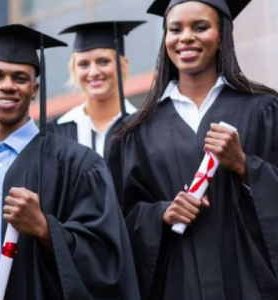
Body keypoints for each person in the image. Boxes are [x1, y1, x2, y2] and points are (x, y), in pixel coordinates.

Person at [0, 24, 139, 300]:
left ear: (35, 88)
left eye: (20, 77)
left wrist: (45, 228)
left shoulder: (79, 165)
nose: (7, 85)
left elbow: (106, 260)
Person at [108, 0, 278, 299]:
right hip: (176, 280)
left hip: (248, 279)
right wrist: (161, 214)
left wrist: (243, 166)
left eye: (200, 27)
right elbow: (119, 217)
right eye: (175, 29)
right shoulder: (135, 130)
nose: (186, 37)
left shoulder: (263, 109)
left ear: (222, 35)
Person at [48, 21, 144, 158]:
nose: (93, 72)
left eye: (103, 61)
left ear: (123, 65)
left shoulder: (142, 127)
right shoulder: (55, 132)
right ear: (73, 70)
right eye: (83, 64)